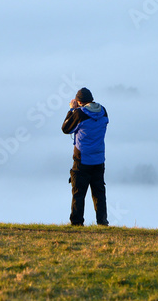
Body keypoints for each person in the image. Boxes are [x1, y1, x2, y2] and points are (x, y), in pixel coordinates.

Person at [61, 87, 110, 226]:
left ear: (79, 101)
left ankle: (77, 223)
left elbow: (66, 129)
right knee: (99, 193)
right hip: (99, 159)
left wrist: (72, 110)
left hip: (82, 160)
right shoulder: (103, 111)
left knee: (78, 193)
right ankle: (102, 222)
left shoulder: (79, 114)